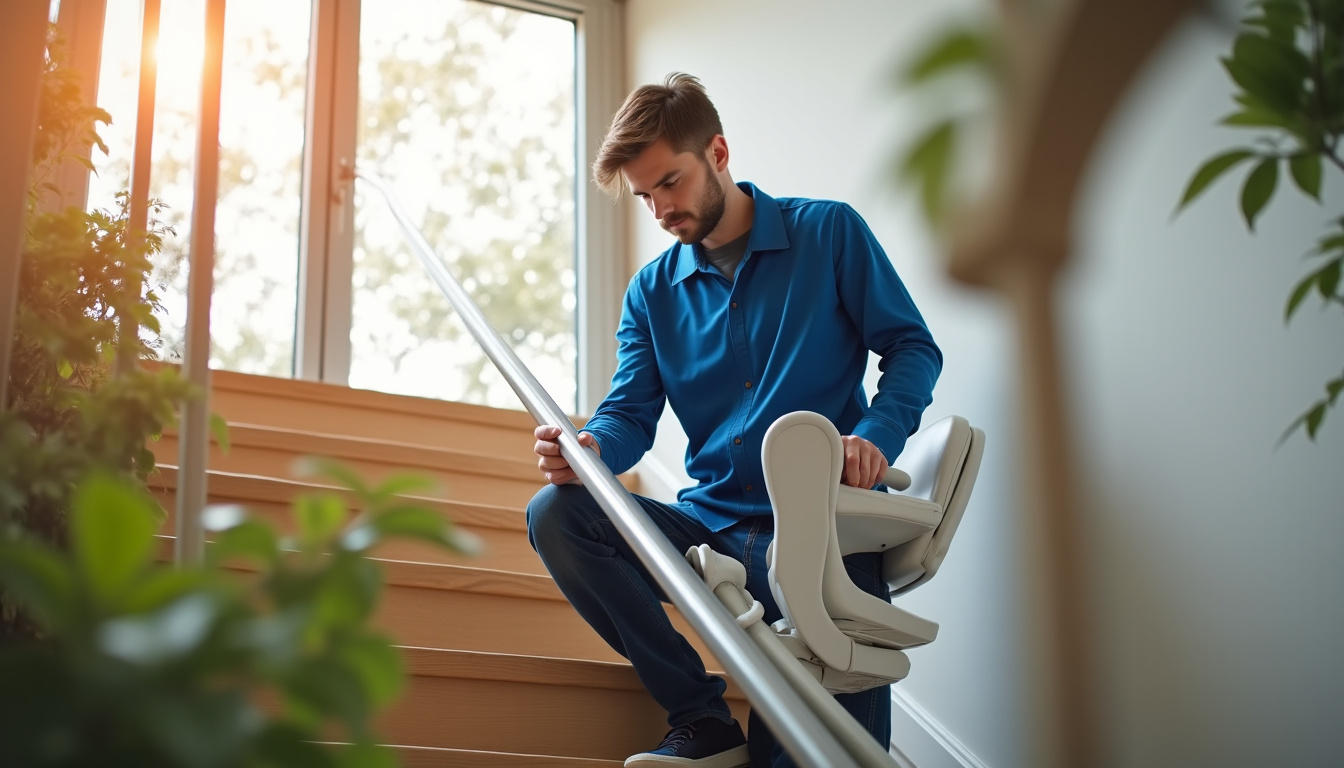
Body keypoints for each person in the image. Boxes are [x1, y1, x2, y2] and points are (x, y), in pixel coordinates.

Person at [526, 73, 941, 768]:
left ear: (717, 152)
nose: (659, 209)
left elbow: (911, 347)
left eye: (670, 182)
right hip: (709, 529)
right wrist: (593, 448)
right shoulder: (651, 293)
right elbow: (630, 411)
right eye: (644, 195)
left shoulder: (830, 232)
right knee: (559, 512)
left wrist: (875, 437)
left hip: (825, 527)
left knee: (817, 752)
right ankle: (700, 717)